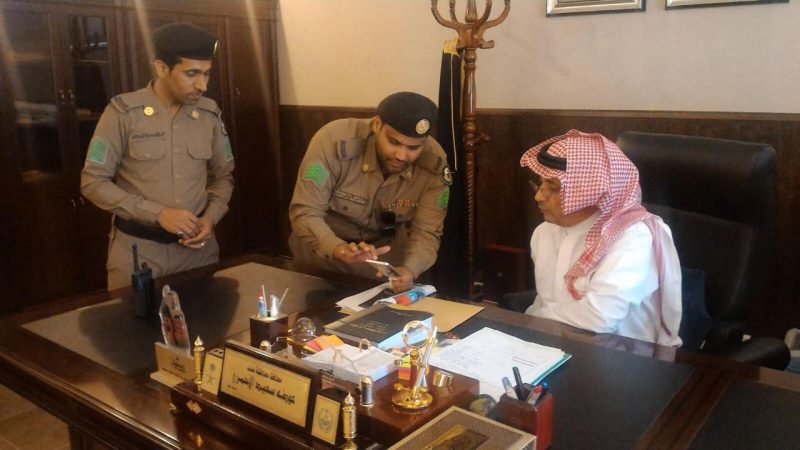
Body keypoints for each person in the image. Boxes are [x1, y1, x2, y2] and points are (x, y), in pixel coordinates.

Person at [81, 23, 235, 290]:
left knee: (205, 316)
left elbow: (224, 177)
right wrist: (158, 214)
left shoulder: (209, 113)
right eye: (191, 73)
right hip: (139, 254)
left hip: (198, 253)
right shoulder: (122, 113)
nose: (202, 85)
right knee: (134, 318)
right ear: (162, 68)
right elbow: (93, 182)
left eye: (207, 73)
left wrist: (210, 218)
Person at [519, 129, 682, 346]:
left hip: (621, 354)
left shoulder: (633, 237)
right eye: (540, 184)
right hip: (552, 345)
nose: (538, 196)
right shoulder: (544, 232)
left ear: (592, 192)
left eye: (553, 188)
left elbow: (599, 318)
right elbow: (545, 299)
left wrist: (534, 318)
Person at [289, 92, 451, 292]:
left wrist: (410, 269)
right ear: (377, 125)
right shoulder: (333, 140)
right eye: (394, 142)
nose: (401, 155)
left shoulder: (434, 164)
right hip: (321, 255)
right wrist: (337, 248)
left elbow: (427, 231)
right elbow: (305, 211)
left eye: (413, 148)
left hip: (381, 262)